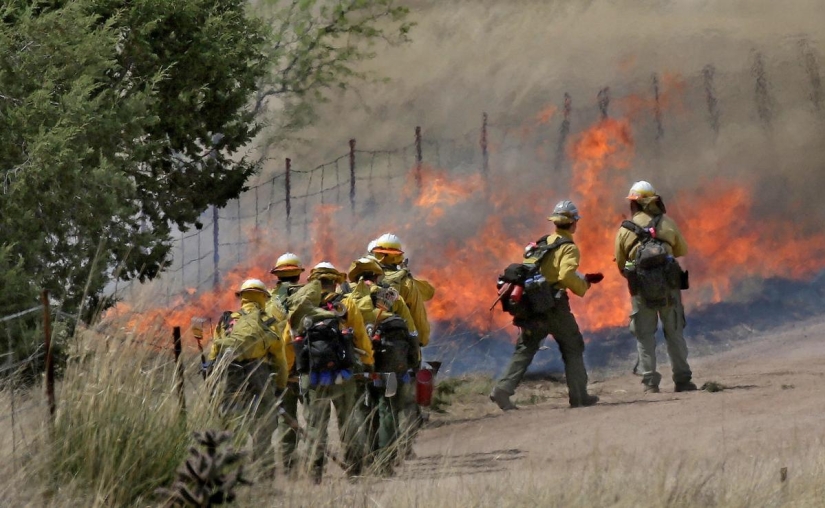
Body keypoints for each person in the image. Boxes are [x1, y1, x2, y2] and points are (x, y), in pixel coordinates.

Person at [490, 200, 602, 410]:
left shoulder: (542, 243)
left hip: (533, 304)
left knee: (525, 349)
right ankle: (579, 396)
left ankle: (502, 391)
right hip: (554, 307)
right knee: (573, 345)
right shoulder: (568, 247)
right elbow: (565, 275)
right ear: (573, 223)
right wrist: (583, 285)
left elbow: (541, 271)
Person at [285, 267, 374, 483]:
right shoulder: (347, 304)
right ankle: (355, 471)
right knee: (349, 422)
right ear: (335, 282)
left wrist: (288, 372)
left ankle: (315, 474)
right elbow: (361, 337)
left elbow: (287, 341)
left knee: (316, 426)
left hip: (313, 377)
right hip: (343, 374)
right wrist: (368, 364)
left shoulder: (300, 307)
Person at [614, 181, 697, 393]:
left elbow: (621, 264)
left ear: (635, 204)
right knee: (674, 332)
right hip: (669, 289)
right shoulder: (667, 223)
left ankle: (650, 383)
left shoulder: (624, 230)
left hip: (641, 291)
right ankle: (683, 380)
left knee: (644, 335)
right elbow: (682, 250)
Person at [206, 279, 288, 476]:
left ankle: (232, 470)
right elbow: (279, 358)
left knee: (232, 419)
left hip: (230, 372)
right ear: (263, 297)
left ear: (242, 297)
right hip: (259, 373)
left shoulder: (227, 321)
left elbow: (214, 351)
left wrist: (212, 379)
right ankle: (264, 472)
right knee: (264, 422)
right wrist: (280, 386)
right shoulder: (268, 321)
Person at [347, 256, 418, 476]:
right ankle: (385, 464)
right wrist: (413, 361)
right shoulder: (391, 295)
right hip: (392, 357)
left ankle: (363, 459)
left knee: (362, 407)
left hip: (360, 359)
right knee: (388, 406)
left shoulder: (348, 298)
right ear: (377, 275)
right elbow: (412, 330)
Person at [368, 234, 434, 455]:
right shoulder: (404, 282)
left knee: (370, 403)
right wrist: (419, 344)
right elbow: (418, 315)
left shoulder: (359, 281)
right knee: (400, 401)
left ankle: (373, 451)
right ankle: (401, 448)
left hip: (364, 349)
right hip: (398, 350)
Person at [266, 252, 305, 475]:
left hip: (281, 371)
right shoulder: (310, 296)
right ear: (299, 274)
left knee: (285, 422)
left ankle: (290, 470)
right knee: (316, 419)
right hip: (307, 369)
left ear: (278, 276)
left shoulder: (268, 301)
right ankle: (314, 468)